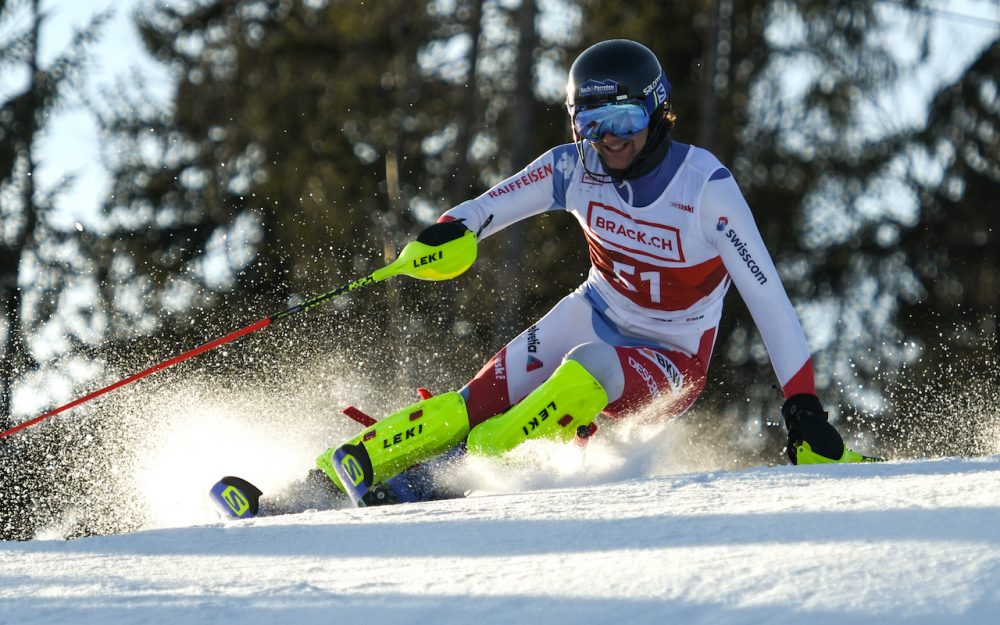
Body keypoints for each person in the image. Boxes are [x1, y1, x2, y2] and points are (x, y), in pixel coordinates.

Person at [313, 39, 869, 508]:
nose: (611, 140)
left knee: (590, 368)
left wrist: (801, 406)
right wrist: (450, 230)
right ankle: (323, 480)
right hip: (594, 311)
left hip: (671, 355)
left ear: (657, 112)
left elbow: (769, 301)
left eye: (625, 119)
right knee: (474, 400)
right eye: (592, 123)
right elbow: (485, 209)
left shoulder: (705, 189)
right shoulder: (574, 168)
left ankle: (457, 473)